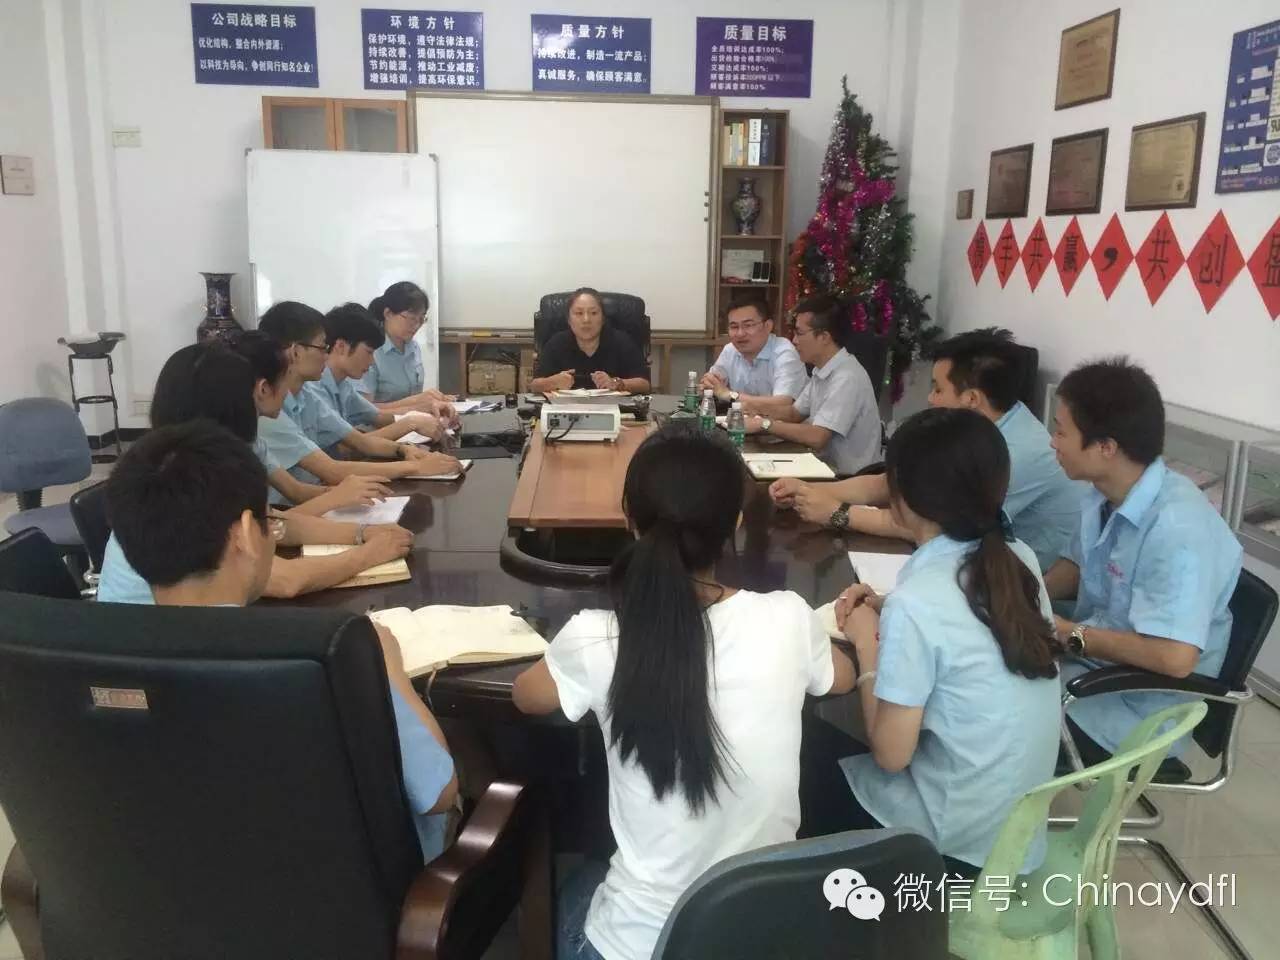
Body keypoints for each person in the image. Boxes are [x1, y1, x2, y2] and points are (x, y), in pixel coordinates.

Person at [512, 426, 855, 960]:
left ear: (630, 519)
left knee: (574, 884)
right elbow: (842, 676)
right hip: (766, 940)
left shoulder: (596, 637)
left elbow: (526, 696)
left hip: (638, 947)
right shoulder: (788, 618)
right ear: (735, 522)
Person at [104, 421, 457, 861]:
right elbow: (438, 793)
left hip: (182, 881)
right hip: (356, 890)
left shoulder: (100, 667)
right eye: (270, 521)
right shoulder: (329, 656)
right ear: (245, 534)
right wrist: (384, 664)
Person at [804, 407, 1062, 876]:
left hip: (946, 852)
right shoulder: (1018, 557)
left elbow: (891, 756)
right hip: (1016, 839)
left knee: (798, 743)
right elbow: (968, 618)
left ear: (901, 498)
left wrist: (867, 640)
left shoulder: (919, 603)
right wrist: (884, 605)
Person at [97, 340, 415, 604]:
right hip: (156, 644)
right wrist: (369, 554)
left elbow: (274, 524)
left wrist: (361, 533)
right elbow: (283, 580)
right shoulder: (184, 481)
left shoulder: (194, 461)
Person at [1045, 358, 1242, 759]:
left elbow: (1175, 657)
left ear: (1106, 447)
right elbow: (1078, 566)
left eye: (1061, 431)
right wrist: (1023, 596)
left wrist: (1068, 633)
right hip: (1090, 669)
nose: (1053, 442)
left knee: (983, 717)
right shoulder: (1103, 493)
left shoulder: (1176, 528)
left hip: (1136, 710)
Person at [770, 328, 1086, 571]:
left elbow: (931, 525)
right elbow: (891, 483)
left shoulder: (1012, 453)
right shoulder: (976, 429)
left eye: (938, 388)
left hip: (1022, 595)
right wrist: (809, 490)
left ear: (971, 399)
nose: (930, 399)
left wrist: (838, 514)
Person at [256, 301, 461, 484]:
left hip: (321, 490)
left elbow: (361, 440)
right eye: (322, 348)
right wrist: (415, 466)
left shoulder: (306, 395)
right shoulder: (270, 411)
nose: (326, 355)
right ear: (295, 352)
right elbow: (332, 468)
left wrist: (404, 449)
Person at [742, 294, 881, 476]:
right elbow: (794, 413)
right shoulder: (822, 369)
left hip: (847, 478)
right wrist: (754, 408)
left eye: (799, 333)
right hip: (822, 466)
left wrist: (764, 424)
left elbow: (817, 437)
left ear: (824, 337)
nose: (794, 340)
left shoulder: (847, 377)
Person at [312, 302, 455, 446]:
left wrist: (425, 412)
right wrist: (410, 423)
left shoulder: (343, 386)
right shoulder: (315, 389)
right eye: (369, 352)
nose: (372, 361)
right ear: (341, 346)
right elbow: (343, 448)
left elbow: (377, 415)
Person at [528, 287, 651, 394]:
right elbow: (534, 386)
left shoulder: (621, 341)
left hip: (614, 410)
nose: (586, 319)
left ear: (603, 318)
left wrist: (618, 383)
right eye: (579, 313)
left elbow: (644, 384)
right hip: (567, 410)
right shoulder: (556, 343)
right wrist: (552, 382)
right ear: (569, 320)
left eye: (593, 313)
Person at [357, 281, 455, 412]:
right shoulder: (370, 351)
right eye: (411, 318)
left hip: (413, 422)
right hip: (385, 424)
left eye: (421, 319)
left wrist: (434, 401)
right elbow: (362, 410)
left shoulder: (413, 347)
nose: (416, 325)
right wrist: (417, 402)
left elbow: (412, 396)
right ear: (388, 314)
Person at [698, 296, 807, 412]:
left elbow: (783, 403)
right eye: (734, 327)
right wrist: (708, 385)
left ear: (768, 326)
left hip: (780, 422)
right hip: (743, 420)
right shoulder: (730, 350)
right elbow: (711, 387)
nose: (740, 334)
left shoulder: (784, 352)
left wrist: (729, 395)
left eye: (748, 325)